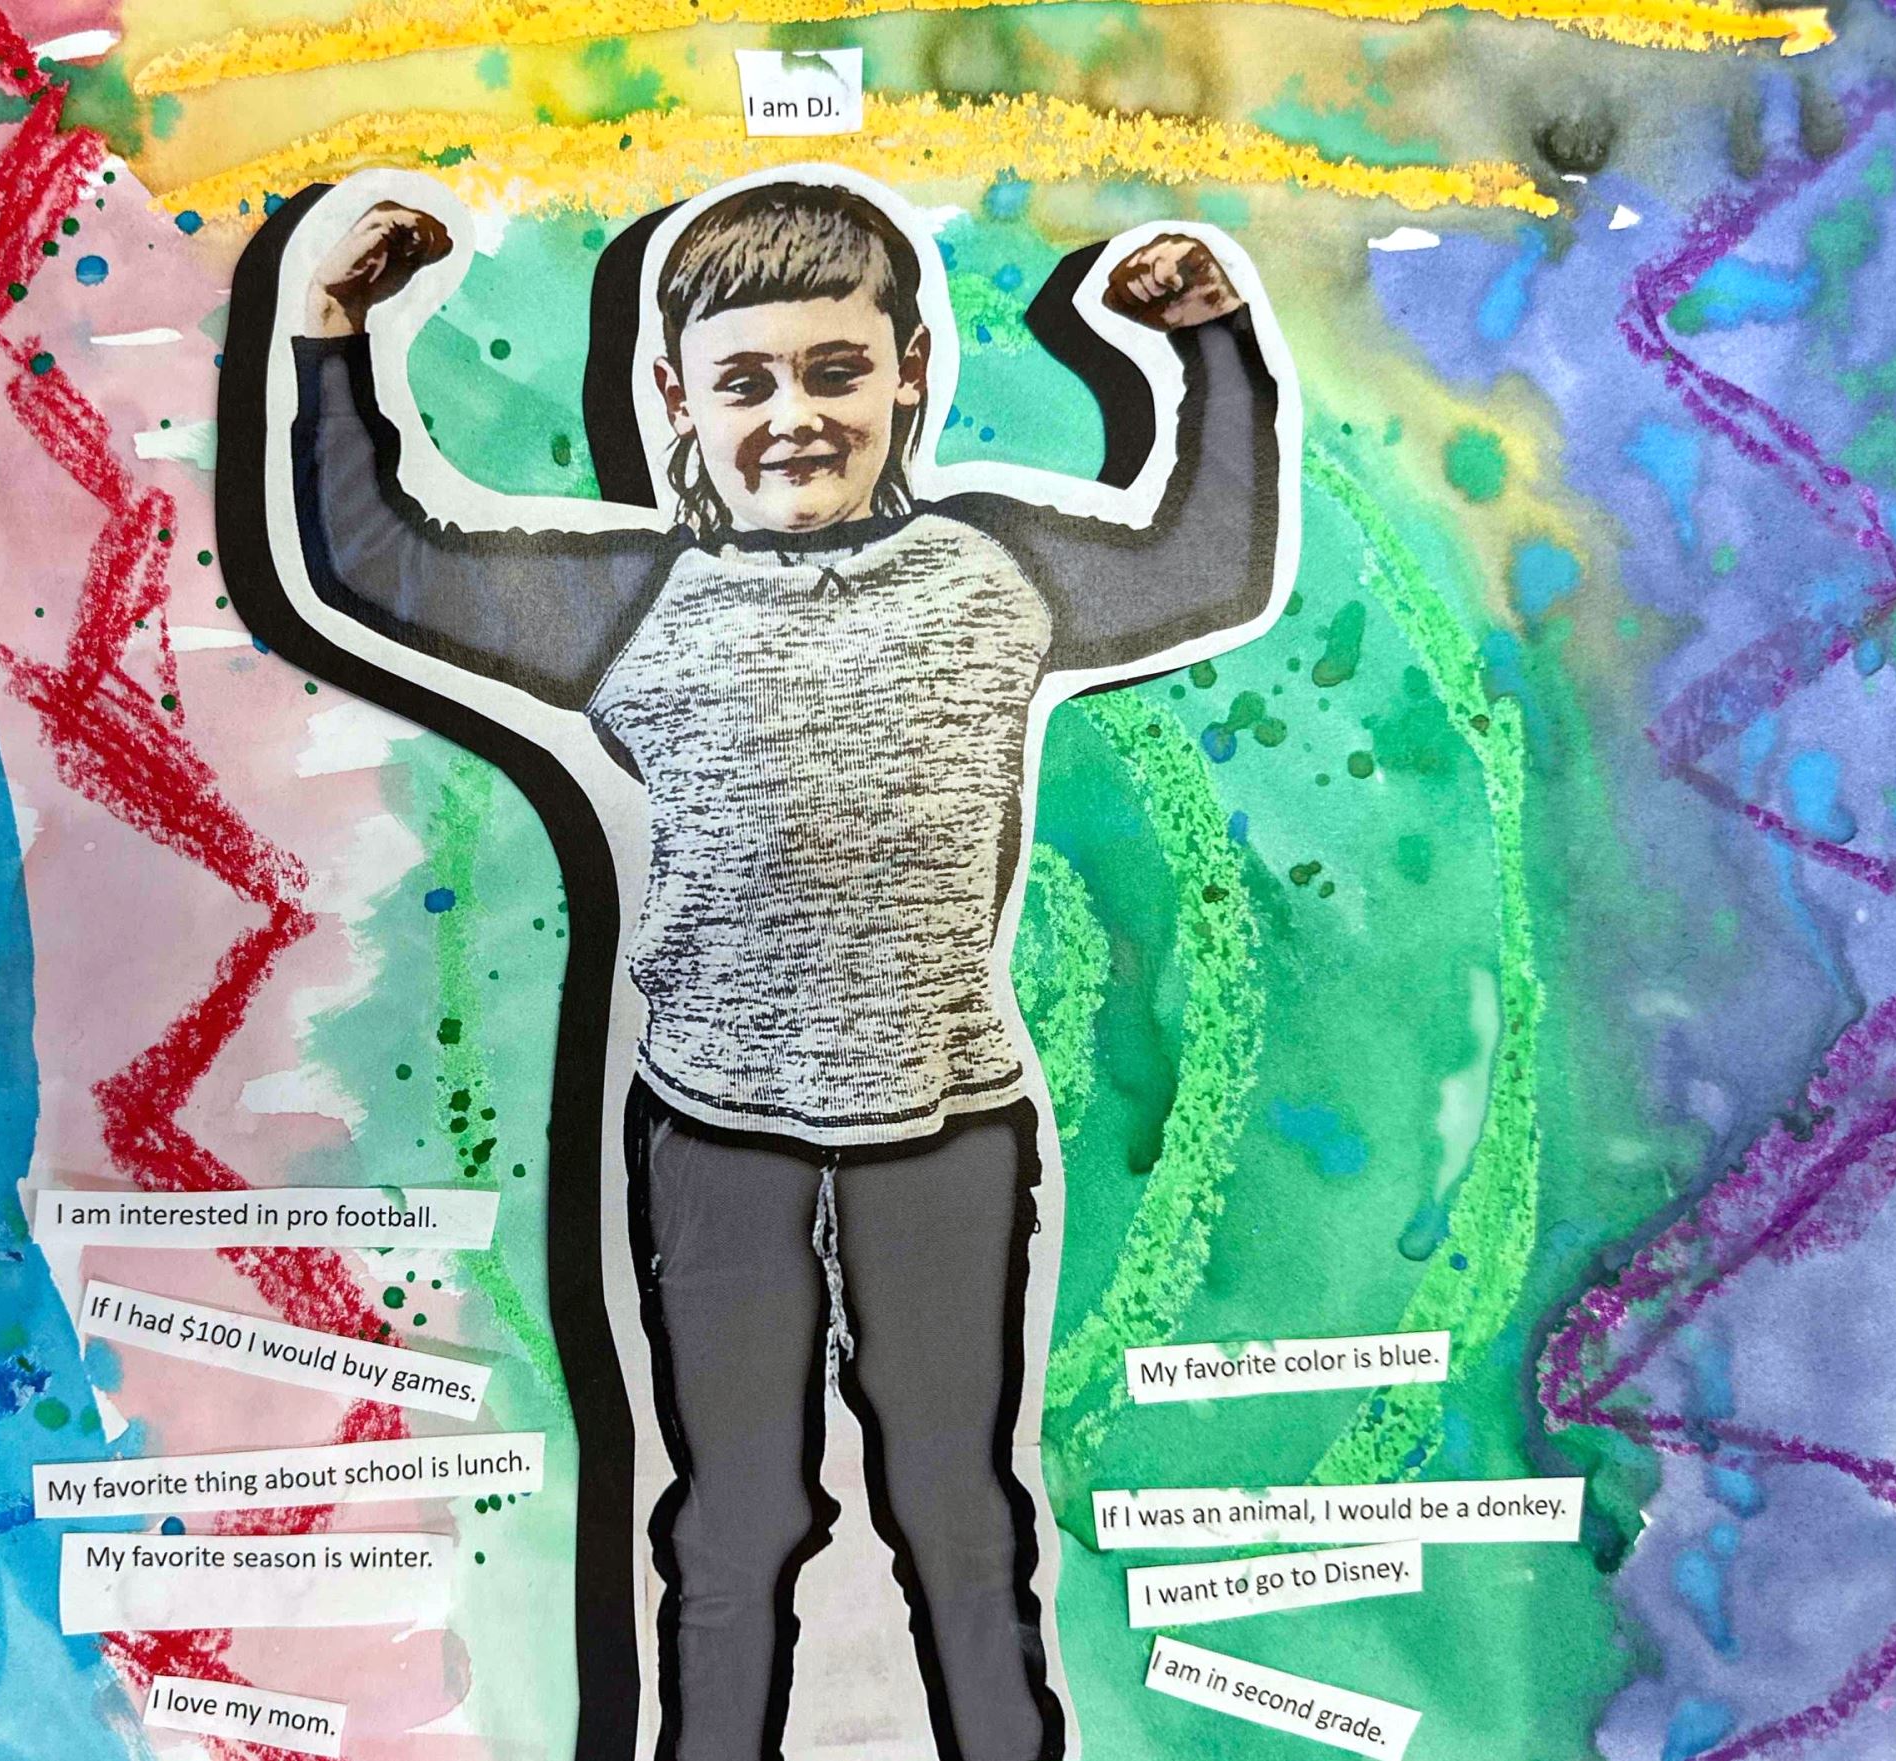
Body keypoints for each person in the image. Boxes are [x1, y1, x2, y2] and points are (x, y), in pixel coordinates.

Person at [283, 174, 1284, 1761]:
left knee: (961, 1512)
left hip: (946, 1131)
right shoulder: (629, 602)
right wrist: (336, 335)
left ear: (908, 373)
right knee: (733, 1524)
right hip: (715, 1137)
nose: (794, 416)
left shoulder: (996, 570)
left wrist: (1211, 342)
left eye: (835, 370)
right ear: (677, 395)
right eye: (745, 380)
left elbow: (1206, 561)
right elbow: (378, 559)